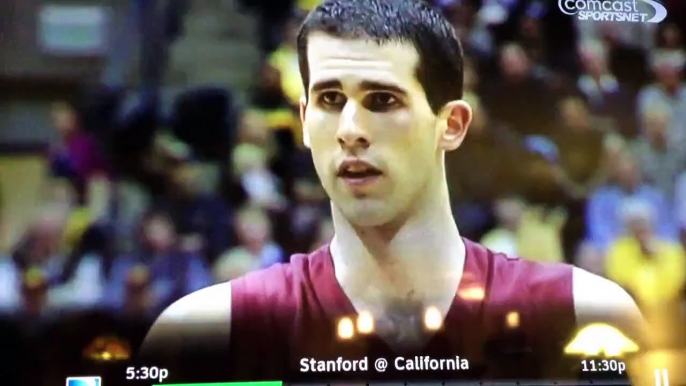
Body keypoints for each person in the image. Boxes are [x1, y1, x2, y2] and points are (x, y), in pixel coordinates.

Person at [142, 0, 643, 382]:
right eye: (330, 99)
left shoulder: (582, 317)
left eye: (382, 100)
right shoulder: (207, 333)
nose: (350, 129)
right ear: (303, 119)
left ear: (451, 124)